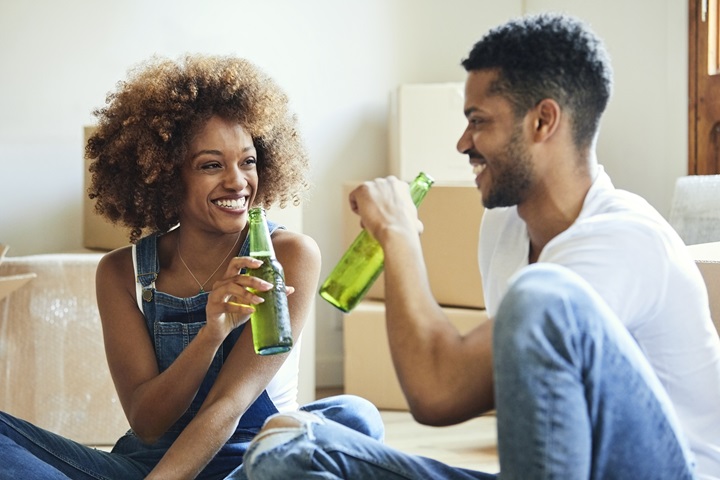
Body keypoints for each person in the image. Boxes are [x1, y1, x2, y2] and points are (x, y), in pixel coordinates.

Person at [234, 13, 720, 480]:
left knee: (539, 295)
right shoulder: (506, 226)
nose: (463, 142)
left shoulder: (624, 240)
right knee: (287, 452)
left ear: (542, 121)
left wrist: (399, 236)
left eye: (479, 121)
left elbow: (439, 392)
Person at [0, 54, 383, 479]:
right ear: (165, 176)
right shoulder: (120, 273)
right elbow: (147, 422)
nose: (238, 182)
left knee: (354, 416)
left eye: (248, 161)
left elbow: (228, 405)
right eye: (211, 165)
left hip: (254, 465)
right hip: (148, 467)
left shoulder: (287, 257)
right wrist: (212, 332)